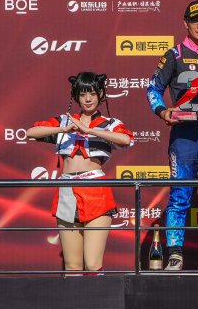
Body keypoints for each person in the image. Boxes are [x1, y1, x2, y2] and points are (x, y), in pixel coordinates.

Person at [147, 0, 198, 271]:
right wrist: (162, 111)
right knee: (180, 197)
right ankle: (175, 255)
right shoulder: (174, 55)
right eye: (195, 20)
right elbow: (153, 88)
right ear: (186, 23)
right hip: (184, 139)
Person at [27, 72, 133, 273]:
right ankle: (75, 295)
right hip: (67, 190)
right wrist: (62, 130)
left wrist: (90, 130)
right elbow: (31, 132)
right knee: (72, 266)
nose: (88, 99)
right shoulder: (64, 121)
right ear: (76, 96)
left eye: (92, 93)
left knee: (92, 264)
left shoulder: (109, 123)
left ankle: (98, 294)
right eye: (83, 94)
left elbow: (126, 140)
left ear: (101, 94)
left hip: (96, 191)